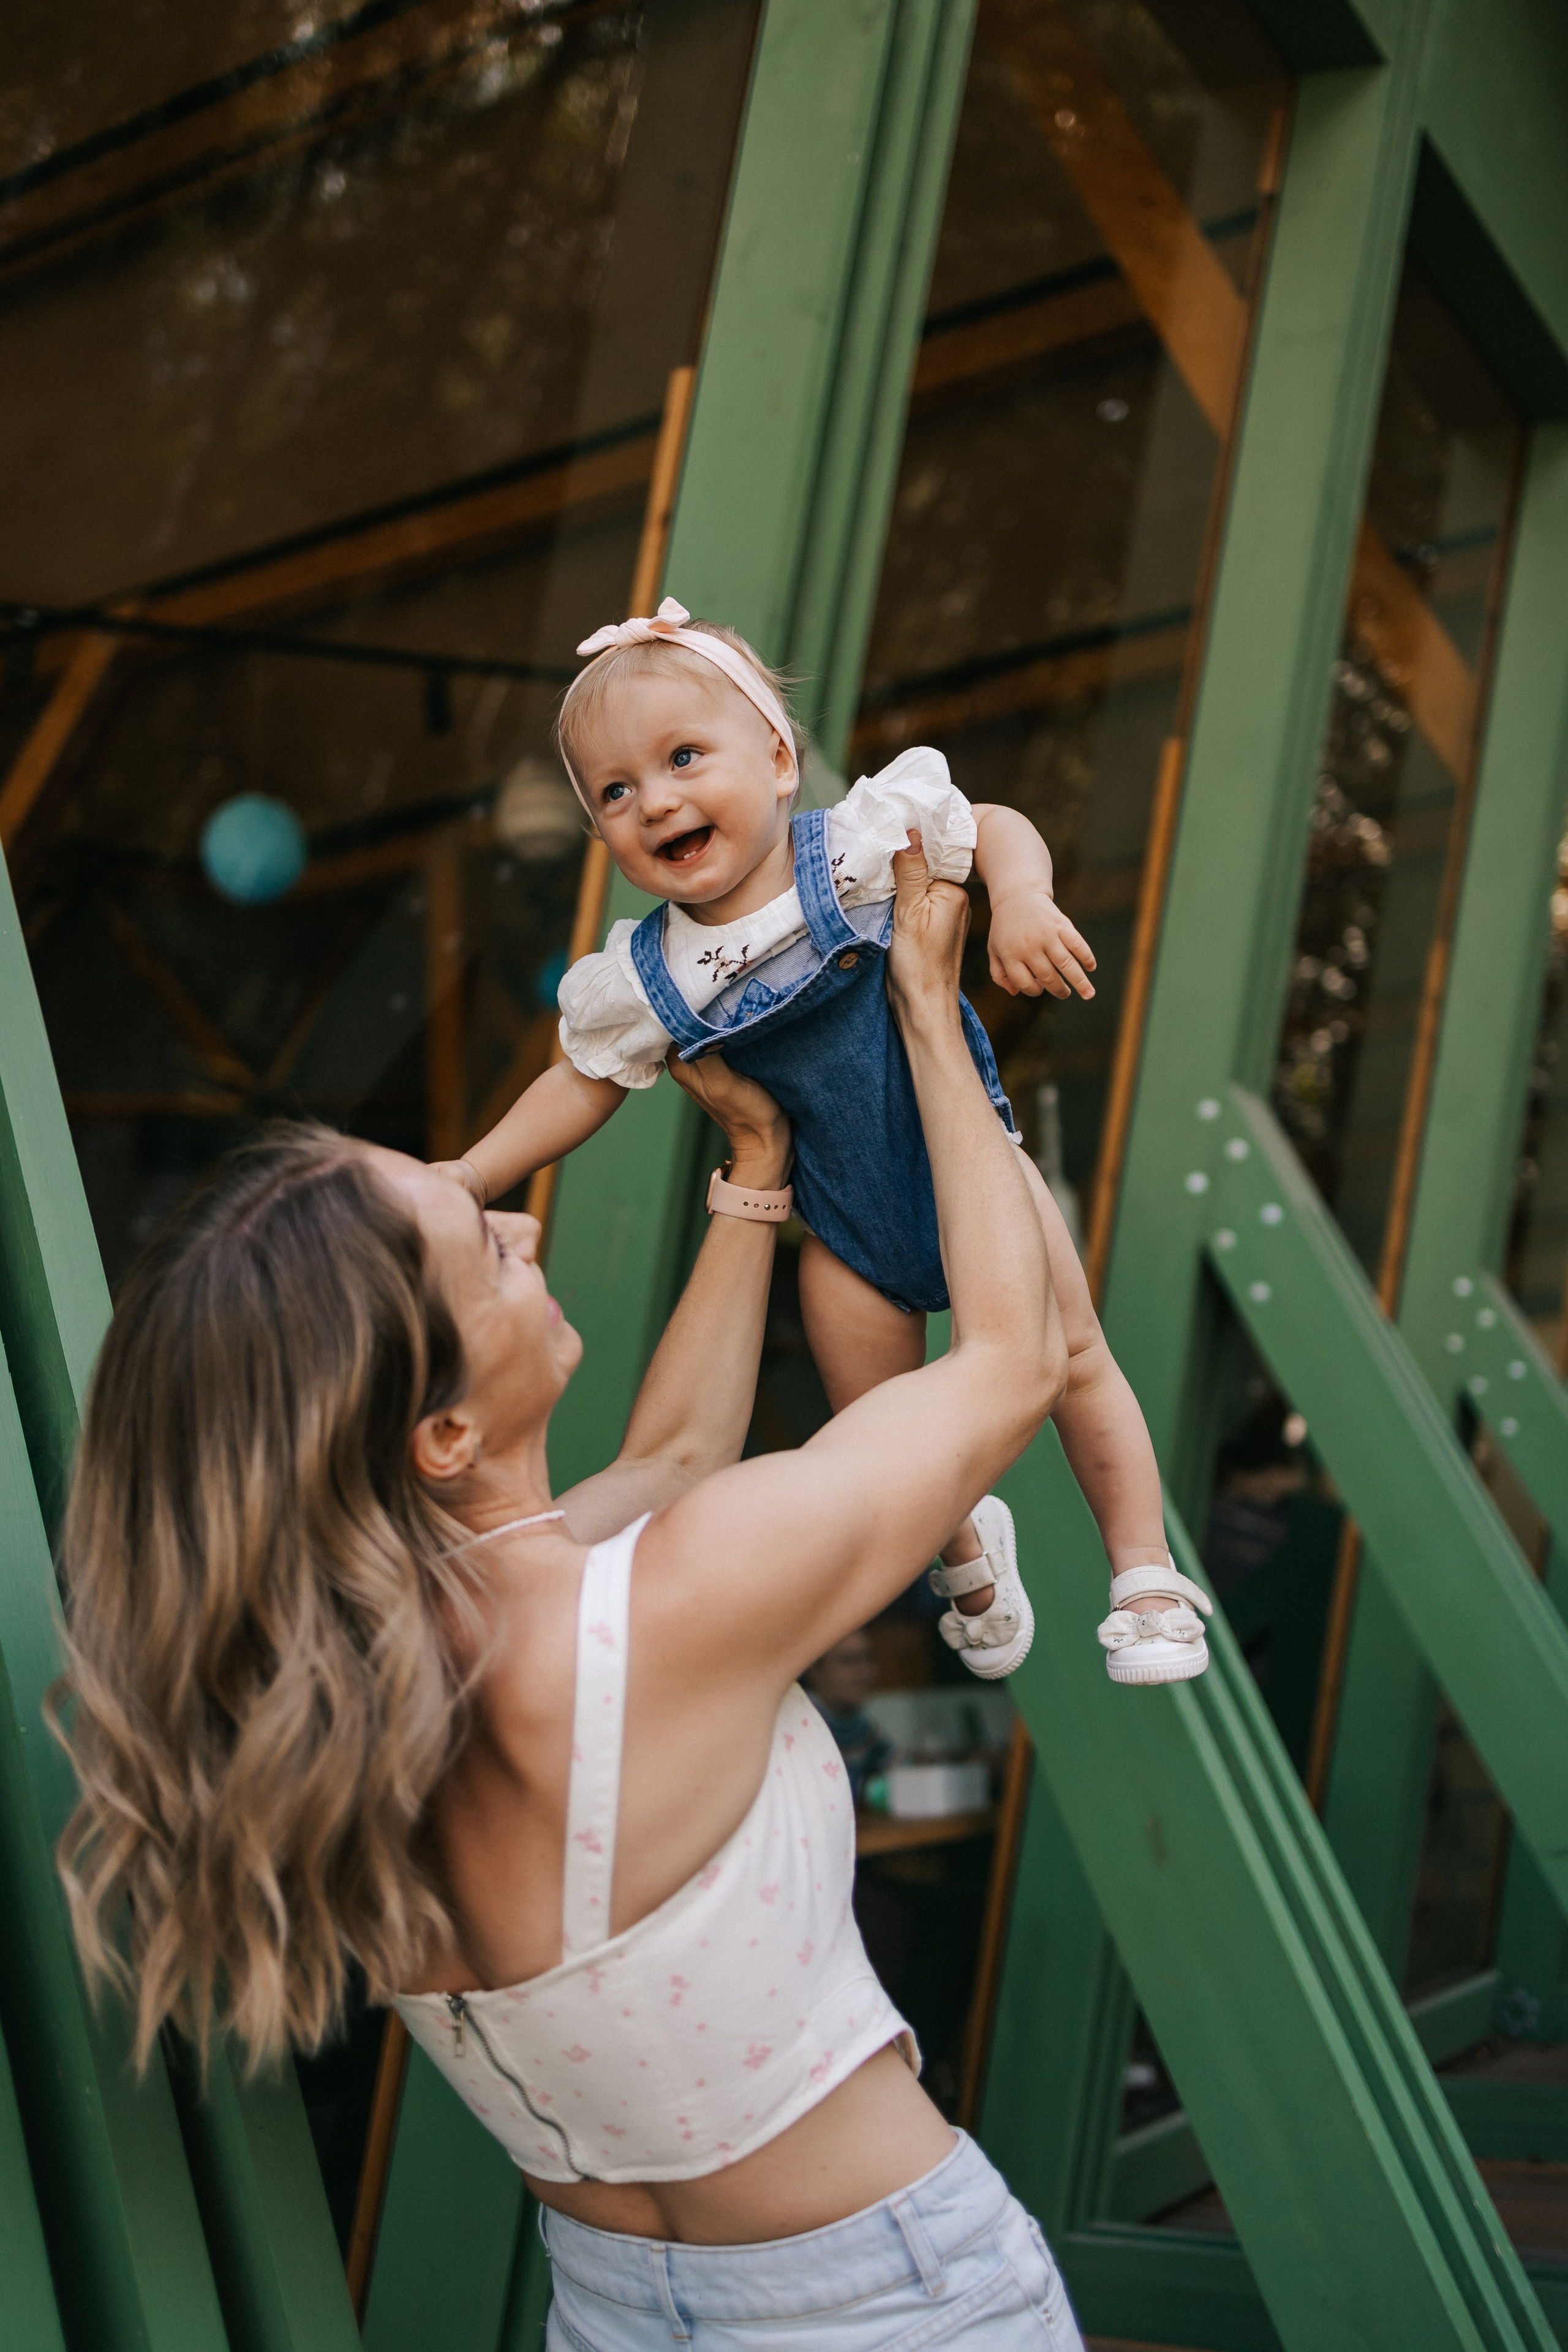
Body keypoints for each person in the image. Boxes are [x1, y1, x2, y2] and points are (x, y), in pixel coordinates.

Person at [56, 844, 1085, 2346]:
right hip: (883, 2300)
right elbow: (1011, 1357)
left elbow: (672, 1451)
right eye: (484, 1244)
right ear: (443, 1434)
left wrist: (755, 1179)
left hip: (611, 2305)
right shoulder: (666, 1606)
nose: (527, 1226)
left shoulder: (353, 1678)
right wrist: (925, 1005)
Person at [435, 598, 1212, 1688]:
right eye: (616, 792)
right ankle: (964, 1545)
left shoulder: (848, 850)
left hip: (969, 1168)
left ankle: (1147, 1575)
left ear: (780, 759)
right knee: (879, 1421)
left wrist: (1021, 897)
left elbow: (987, 822)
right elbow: (580, 1082)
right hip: (842, 1221)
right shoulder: (652, 975)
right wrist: (473, 1171)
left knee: (1074, 1357)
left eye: (684, 757)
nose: (655, 799)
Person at [801, 1630, 893, 1804]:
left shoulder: (863, 1727)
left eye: (868, 1658)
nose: (862, 1670)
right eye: (848, 1660)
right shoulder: (801, 1726)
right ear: (814, 1669)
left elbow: (894, 1769)